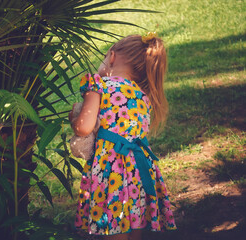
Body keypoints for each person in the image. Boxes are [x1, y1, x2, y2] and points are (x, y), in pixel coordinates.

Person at [70, 33, 177, 240]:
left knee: (114, 225)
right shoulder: (143, 95)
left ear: (112, 57)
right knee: (134, 218)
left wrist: (73, 117)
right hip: (140, 167)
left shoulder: (98, 86)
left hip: (113, 169)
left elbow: (83, 128)